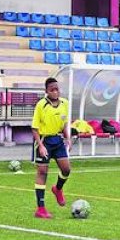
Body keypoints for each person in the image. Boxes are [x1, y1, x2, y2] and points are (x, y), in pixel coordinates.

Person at [31, 77, 72, 218]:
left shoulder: (65, 103)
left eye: (57, 89)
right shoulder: (41, 105)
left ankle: (57, 189)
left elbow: (64, 124)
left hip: (58, 140)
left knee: (66, 169)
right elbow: (34, 128)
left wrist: (68, 138)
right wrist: (41, 146)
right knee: (42, 173)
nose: (55, 92)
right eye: (52, 90)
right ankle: (40, 209)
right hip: (44, 140)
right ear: (46, 91)